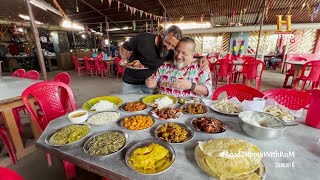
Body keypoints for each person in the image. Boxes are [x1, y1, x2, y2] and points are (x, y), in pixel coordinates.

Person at [119, 25, 208, 94]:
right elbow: (124, 46)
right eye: (167, 42)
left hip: (150, 84)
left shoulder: (172, 51)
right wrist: (123, 58)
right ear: (162, 35)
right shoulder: (142, 38)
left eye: (173, 46)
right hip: (130, 81)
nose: (169, 47)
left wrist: (203, 58)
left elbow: (185, 54)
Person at [145, 37, 212, 97]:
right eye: (177, 51)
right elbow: (154, 81)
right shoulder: (165, 65)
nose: (178, 56)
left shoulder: (201, 66)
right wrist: (151, 82)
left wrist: (190, 86)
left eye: (184, 53)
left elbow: (207, 91)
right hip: (162, 106)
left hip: (188, 108)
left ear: (192, 54)